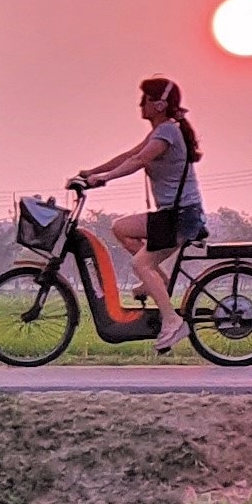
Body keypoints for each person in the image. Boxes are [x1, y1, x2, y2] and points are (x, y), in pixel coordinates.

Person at [74, 76, 205, 354]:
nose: (139, 104)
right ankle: (159, 281)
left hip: (180, 217)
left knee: (140, 264)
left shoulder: (167, 132)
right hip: (172, 215)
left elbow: (137, 162)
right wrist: (92, 173)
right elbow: (129, 154)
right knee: (121, 228)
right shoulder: (162, 130)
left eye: (144, 98)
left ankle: (172, 321)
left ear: (159, 104)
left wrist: (104, 179)